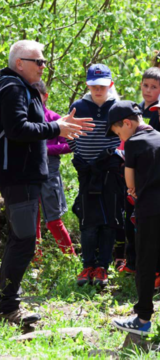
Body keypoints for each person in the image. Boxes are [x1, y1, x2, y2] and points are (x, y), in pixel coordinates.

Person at [0, 40, 93, 325]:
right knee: (25, 242)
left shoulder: (20, 87)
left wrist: (61, 123)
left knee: (22, 240)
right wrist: (57, 128)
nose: (43, 66)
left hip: (25, 176)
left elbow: (29, 125)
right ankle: (7, 307)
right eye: (38, 62)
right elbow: (17, 129)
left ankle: (7, 303)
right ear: (20, 63)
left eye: (44, 62)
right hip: (19, 176)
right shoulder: (13, 87)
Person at [109, 100, 160, 335]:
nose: (120, 137)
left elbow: (130, 183)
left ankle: (143, 319)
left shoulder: (133, 143)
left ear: (126, 123)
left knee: (145, 263)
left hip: (150, 209)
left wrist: (132, 190)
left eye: (118, 132)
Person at [69, 64, 122, 287]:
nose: (98, 89)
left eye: (102, 85)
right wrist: (79, 155)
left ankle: (103, 266)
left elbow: (125, 134)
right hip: (86, 170)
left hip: (109, 170)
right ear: (88, 85)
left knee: (109, 218)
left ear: (110, 84)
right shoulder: (79, 107)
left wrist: (112, 156)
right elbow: (69, 133)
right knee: (88, 220)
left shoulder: (117, 107)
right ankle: (87, 264)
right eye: (94, 85)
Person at [33, 80, 76, 256]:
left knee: (53, 219)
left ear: (45, 96)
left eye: (37, 95)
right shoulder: (23, 119)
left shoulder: (54, 118)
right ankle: (36, 261)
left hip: (50, 171)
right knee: (31, 219)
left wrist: (45, 150)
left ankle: (70, 258)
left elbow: (69, 144)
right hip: (28, 172)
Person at [139, 67, 160, 132]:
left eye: (153, 87)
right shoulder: (136, 108)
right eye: (145, 85)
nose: (148, 90)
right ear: (141, 85)